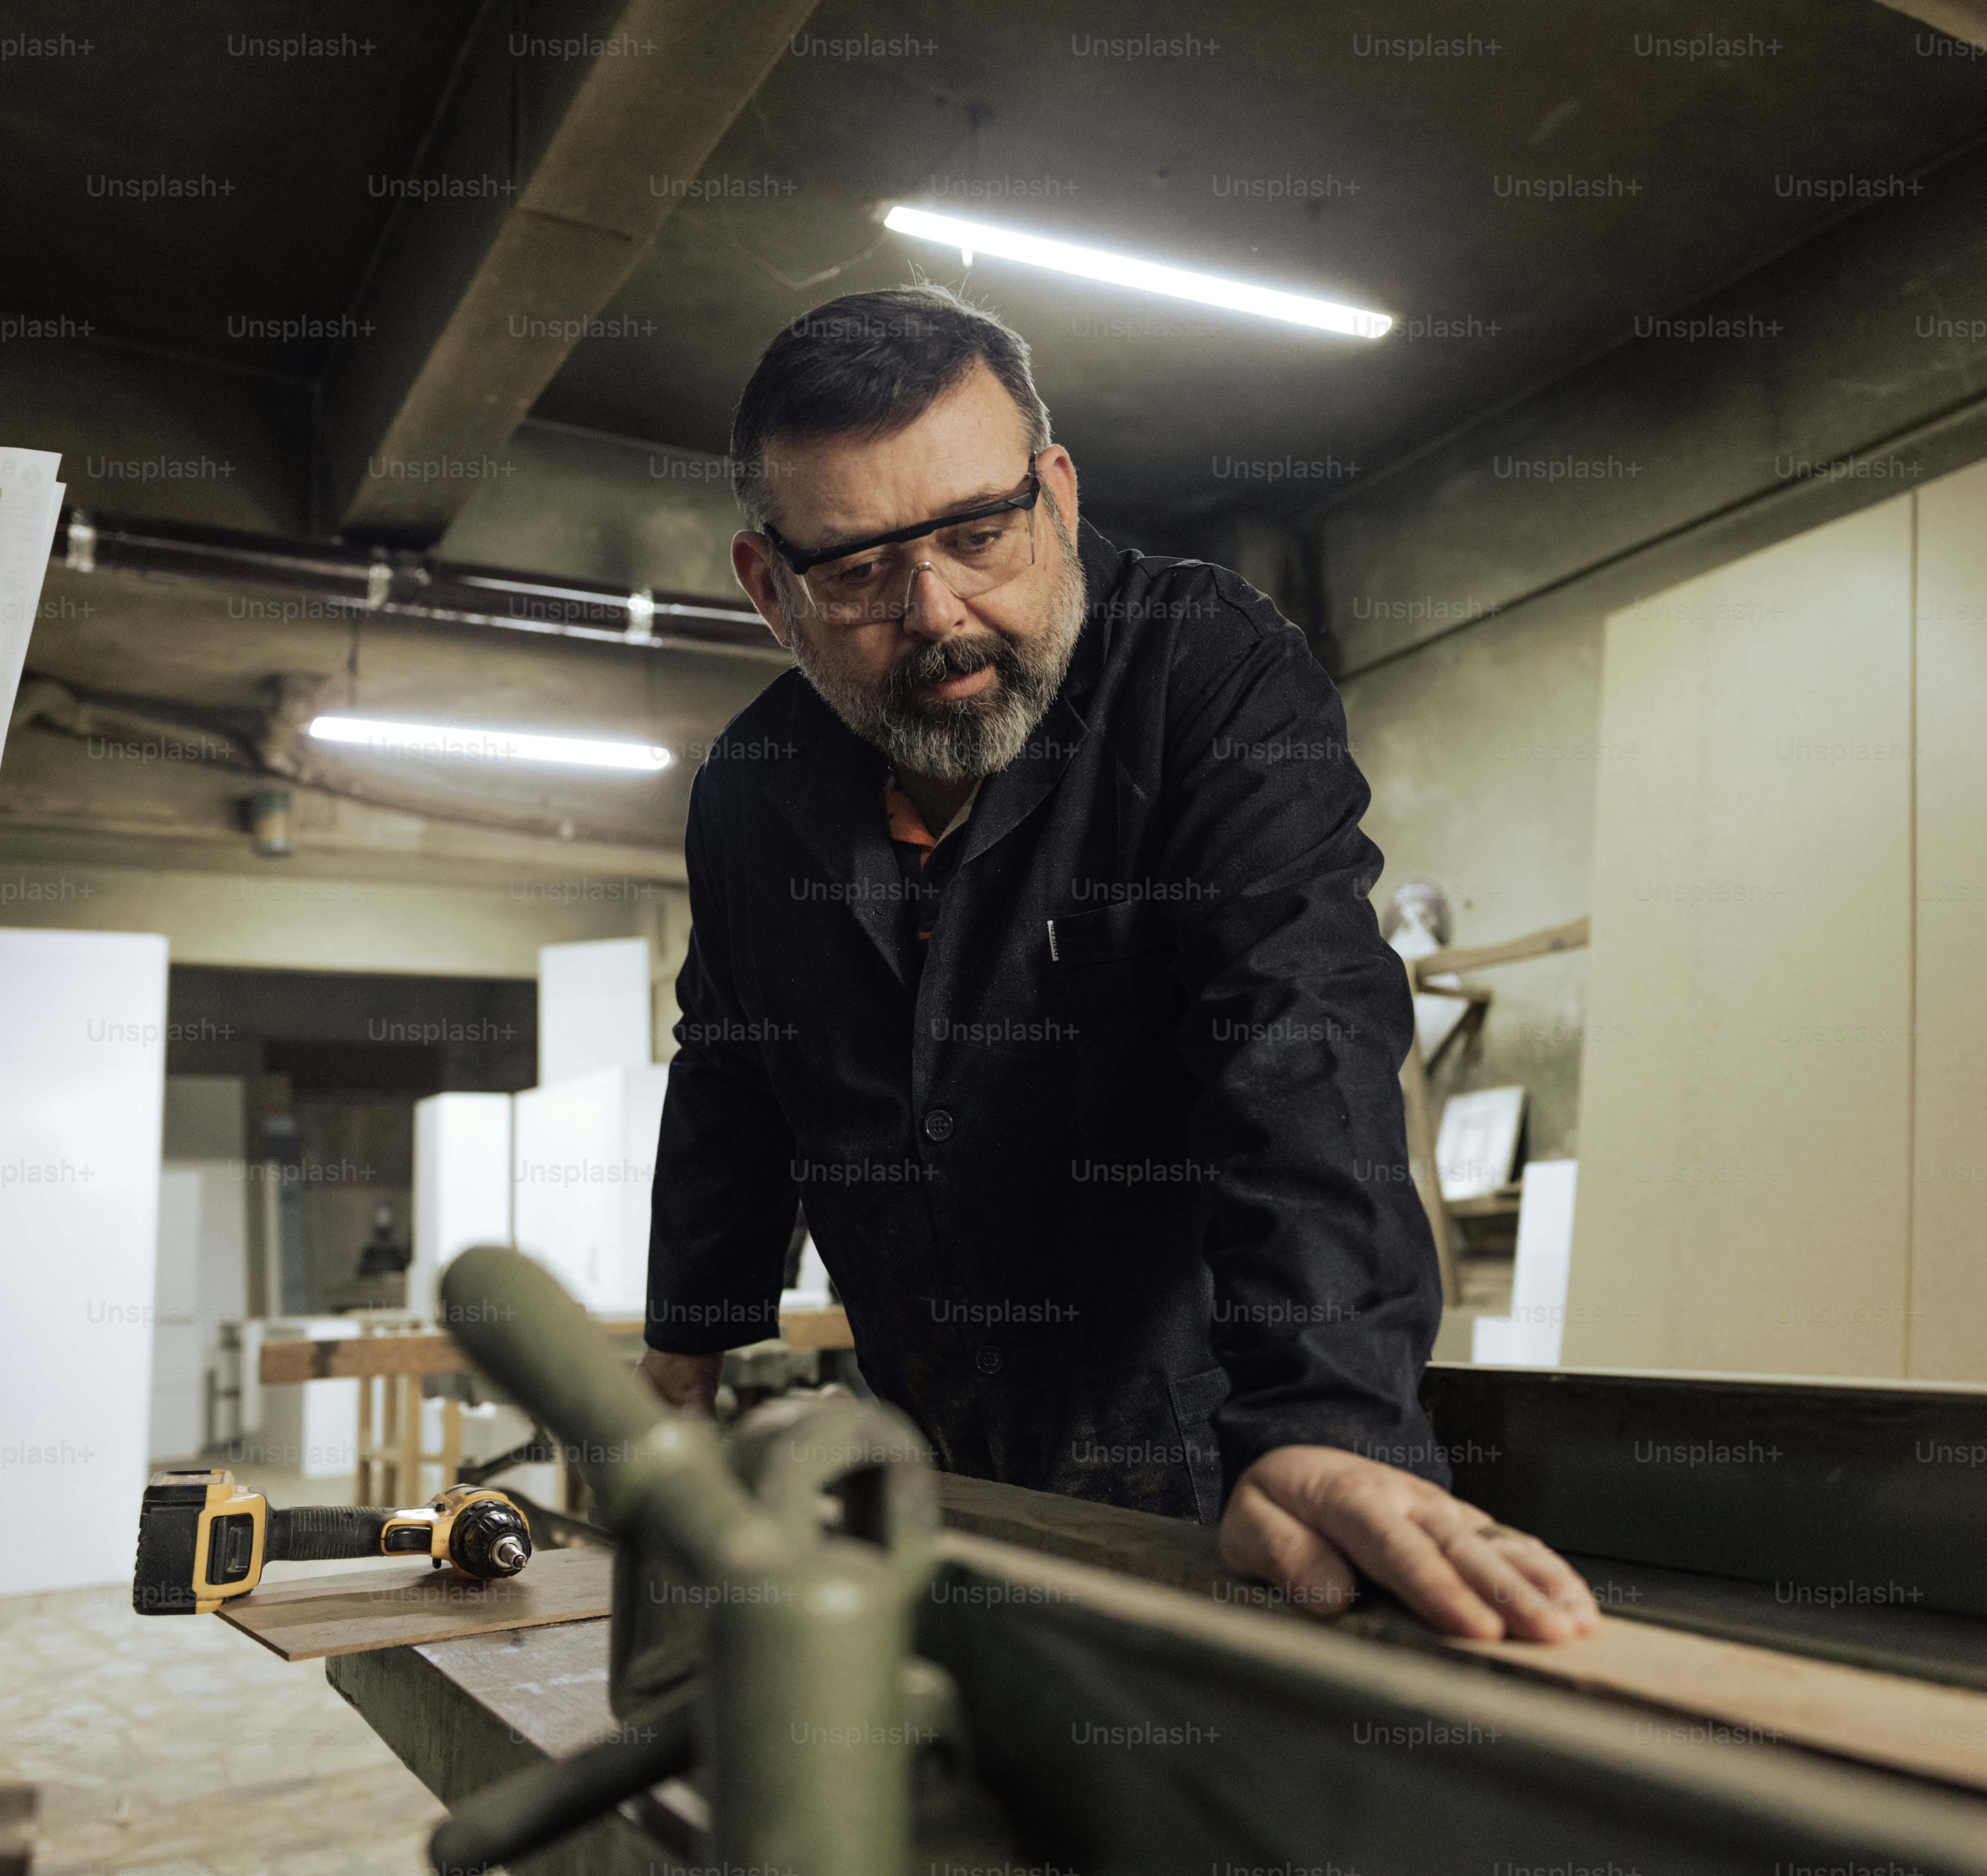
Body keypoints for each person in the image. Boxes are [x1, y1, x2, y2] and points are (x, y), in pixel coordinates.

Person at [635, 285, 1595, 1644]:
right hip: (917, 1455)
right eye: (856, 573)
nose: (939, 613)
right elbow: (733, 1064)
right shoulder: (752, 786)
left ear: (1059, 497)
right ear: (766, 585)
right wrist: (684, 1345)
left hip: (1207, 1466)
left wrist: (1326, 1413)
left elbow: (1297, 1021)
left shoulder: (1203, 676)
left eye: (980, 534)